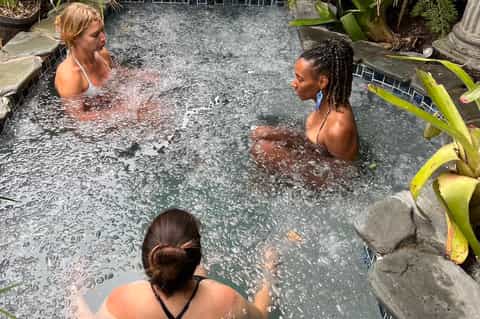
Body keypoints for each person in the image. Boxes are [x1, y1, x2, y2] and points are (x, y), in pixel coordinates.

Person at [75, 208, 278, 319]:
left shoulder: (124, 301)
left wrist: (73, 289)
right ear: (195, 256)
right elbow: (261, 314)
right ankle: (195, 278)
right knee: (204, 286)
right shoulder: (227, 301)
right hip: (206, 299)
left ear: (148, 259)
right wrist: (270, 270)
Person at [250, 39, 359, 186]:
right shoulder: (329, 100)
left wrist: (282, 156)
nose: (293, 83)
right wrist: (286, 135)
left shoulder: (338, 128)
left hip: (331, 181)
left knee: (263, 149)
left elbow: (345, 175)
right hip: (318, 157)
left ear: (322, 82)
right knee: (261, 135)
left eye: (300, 79)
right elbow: (318, 149)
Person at [54, 3, 159, 122]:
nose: (103, 38)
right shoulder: (70, 76)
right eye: (95, 35)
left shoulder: (101, 54)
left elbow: (116, 73)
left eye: (102, 30)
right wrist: (123, 111)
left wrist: (140, 75)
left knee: (155, 107)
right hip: (100, 126)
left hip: (112, 106)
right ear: (75, 38)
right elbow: (78, 120)